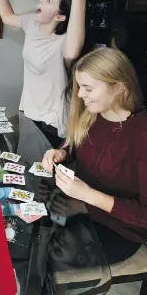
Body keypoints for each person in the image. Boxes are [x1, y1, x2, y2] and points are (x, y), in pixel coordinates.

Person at [41, 48, 146, 271]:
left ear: (119, 87)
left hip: (119, 230)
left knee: (42, 258)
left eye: (87, 88)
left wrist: (86, 197)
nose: (79, 95)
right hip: (80, 208)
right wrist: (61, 152)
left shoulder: (141, 134)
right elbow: (74, 144)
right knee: (28, 230)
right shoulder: (91, 115)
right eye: (79, 87)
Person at [0, 0, 114, 148]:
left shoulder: (65, 41)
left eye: (49, 0)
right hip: (28, 114)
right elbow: (6, 16)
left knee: (42, 174)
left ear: (59, 16)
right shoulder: (32, 24)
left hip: (50, 125)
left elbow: (72, 51)